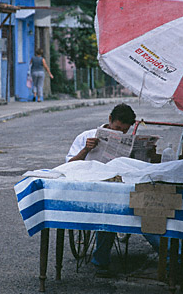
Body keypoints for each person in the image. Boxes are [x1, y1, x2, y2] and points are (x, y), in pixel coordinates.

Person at [65, 103, 136, 277]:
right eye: (117, 128)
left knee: (144, 211)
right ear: (110, 120)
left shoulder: (130, 141)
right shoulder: (86, 136)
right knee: (107, 209)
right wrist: (86, 149)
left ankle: (173, 257)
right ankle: (101, 259)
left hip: (118, 186)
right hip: (89, 188)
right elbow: (68, 166)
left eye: (124, 131)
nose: (120, 132)